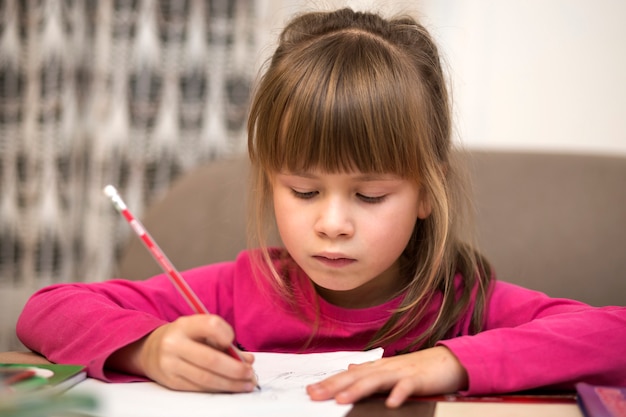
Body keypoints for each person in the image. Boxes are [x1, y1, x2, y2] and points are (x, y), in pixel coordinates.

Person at [16, 7, 626, 409]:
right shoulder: (237, 289)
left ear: (425, 193)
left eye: (370, 196)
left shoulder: (462, 305)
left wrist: (451, 363)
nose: (332, 223)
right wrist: (144, 348)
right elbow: (47, 311)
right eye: (303, 191)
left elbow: (614, 335)